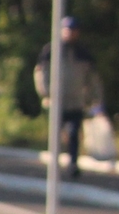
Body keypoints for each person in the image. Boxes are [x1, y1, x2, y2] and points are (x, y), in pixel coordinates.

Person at [31, 17, 102, 178]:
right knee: (56, 135)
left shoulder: (83, 53)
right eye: (67, 30)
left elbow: (92, 78)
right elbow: (41, 73)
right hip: (57, 101)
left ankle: (73, 164)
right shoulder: (51, 51)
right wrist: (46, 93)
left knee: (74, 133)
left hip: (76, 101)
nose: (70, 33)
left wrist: (95, 99)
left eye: (73, 30)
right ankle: (54, 166)